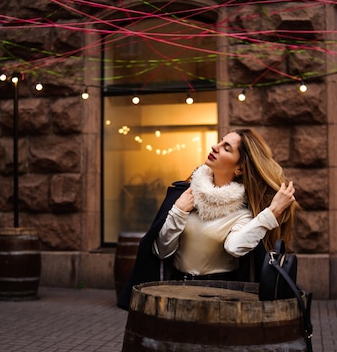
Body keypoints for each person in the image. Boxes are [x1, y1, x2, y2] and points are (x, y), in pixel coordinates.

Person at [117, 128, 298, 309]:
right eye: (220, 141)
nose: (215, 147)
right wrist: (178, 211)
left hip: (220, 296)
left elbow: (234, 247)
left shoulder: (243, 214)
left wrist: (271, 213)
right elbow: (161, 251)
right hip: (175, 292)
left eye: (226, 148)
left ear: (239, 168)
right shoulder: (184, 195)